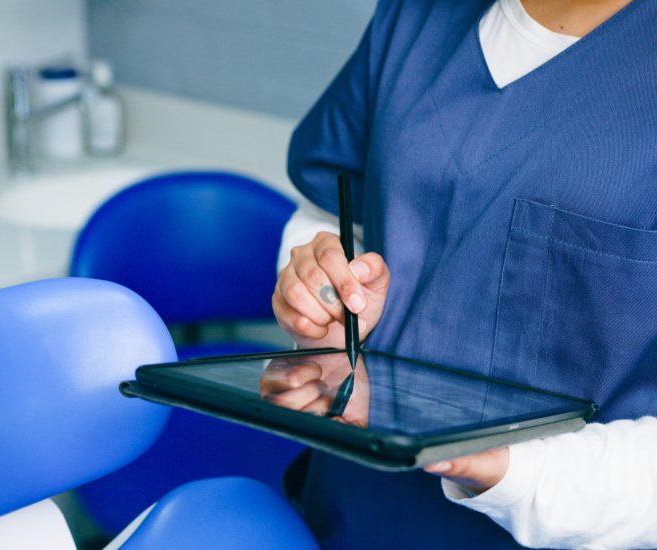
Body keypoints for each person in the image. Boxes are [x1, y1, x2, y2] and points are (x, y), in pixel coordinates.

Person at [272, 0, 657, 547]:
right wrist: (324, 300)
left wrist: (512, 467)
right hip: (347, 508)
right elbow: (333, 208)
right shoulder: (417, 16)